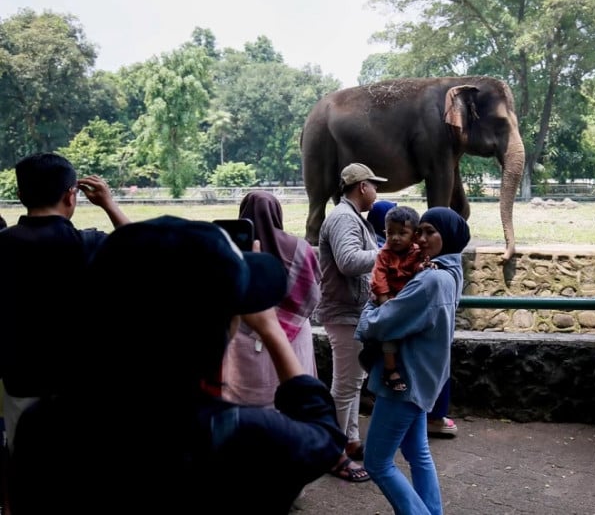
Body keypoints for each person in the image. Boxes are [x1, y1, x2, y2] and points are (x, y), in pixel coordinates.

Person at [10, 216, 347, 514]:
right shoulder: (247, 434)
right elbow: (325, 434)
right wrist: (271, 331)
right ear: (223, 327)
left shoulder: (43, 427)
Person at [0, 153, 130, 454]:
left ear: (20, 196)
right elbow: (145, 248)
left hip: (20, 382)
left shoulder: (2, 244)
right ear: (71, 196)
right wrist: (110, 204)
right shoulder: (90, 244)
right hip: (83, 389)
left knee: (27, 472)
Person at [356, 206, 470, 515]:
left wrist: (369, 308)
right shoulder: (450, 271)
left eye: (430, 232)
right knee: (416, 451)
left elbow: (379, 324)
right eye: (419, 231)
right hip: (426, 376)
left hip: (404, 379)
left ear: (449, 237)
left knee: (377, 462)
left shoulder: (430, 281)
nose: (420, 238)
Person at [315, 162, 386, 482]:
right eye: (374, 185)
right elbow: (347, 262)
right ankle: (332, 453)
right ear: (361, 187)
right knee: (344, 386)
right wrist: (388, 254)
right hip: (345, 312)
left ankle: (350, 439)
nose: (376, 191)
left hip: (350, 310)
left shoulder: (349, 216)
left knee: (352, 382)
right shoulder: (344, 218)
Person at [217, 190, 323, 406]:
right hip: (293, 338)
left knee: (243, 401)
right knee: (296, 401)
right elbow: (313, 292)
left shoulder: (228, 250)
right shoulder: (300, 248)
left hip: (242, 334)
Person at [370, 205, 429, 392]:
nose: (395, 238)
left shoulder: (418, 252)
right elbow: (378, 277)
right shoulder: (384, 254)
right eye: (390, 233)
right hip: (389, 301)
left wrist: (421, 268)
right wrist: (385, 301)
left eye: (402, 233)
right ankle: (390, 369)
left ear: (413, 235)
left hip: (409, 302)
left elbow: (418, 270)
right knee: (389, 333)